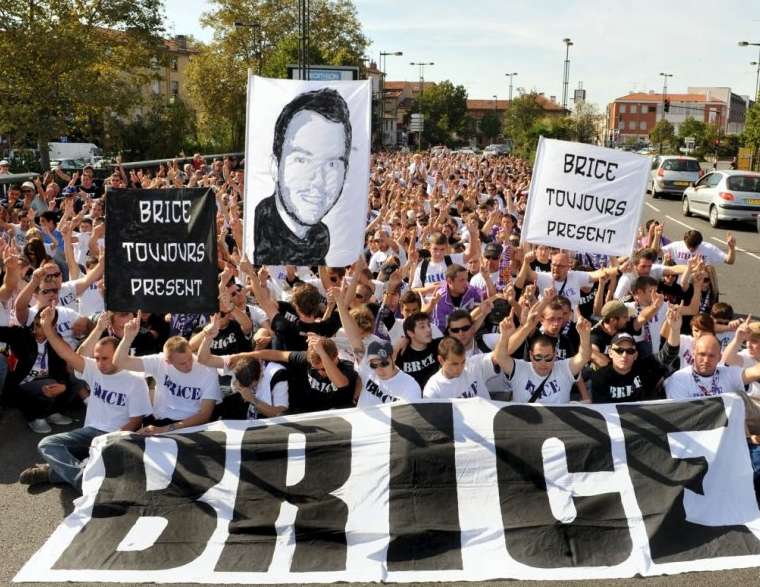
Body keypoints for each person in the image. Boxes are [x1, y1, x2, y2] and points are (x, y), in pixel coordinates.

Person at [18, 306, 151, 489]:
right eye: (97, 358)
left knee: (109, 463)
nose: (100, 363)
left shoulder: (136, 380)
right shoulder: (95, 369)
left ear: (119, 355)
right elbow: (69, 355)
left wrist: (108, 440)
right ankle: (84, 480)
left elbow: (136, 422)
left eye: (105, 358)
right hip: (88, 434)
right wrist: (47, 327)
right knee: (48, 444)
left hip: (116, 437)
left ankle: (52, 473)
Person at [253, 88, 352, 265]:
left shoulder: (322, 238)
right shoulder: (257, 234)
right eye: (302, 160)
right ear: (275, 166)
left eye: (331, 164)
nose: (318, 182)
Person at [112, 311, 221, 434]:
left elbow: (204, 415)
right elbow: (119, 362)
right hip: (159, 421)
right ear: (168, 361)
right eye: (182, 363)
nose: (189, 365)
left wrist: (165, 430)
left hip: (191, 427)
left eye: (190, 359)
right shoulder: (160, 361)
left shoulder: (207, 369)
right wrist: (128, 338)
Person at [591, 305, 682, 403]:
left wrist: (675, 329)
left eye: (630, 351)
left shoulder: (644, 369)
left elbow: (669, 353)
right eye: (619, 351)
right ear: (610, 353)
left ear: (636, 355)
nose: (624, 355)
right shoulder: (600, 377)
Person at [506, 312, 592, 404]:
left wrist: (585, 336)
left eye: (548, 358)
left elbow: (584, 357)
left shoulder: (564, 368)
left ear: (555, 355)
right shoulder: (519, 368)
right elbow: (499, 357)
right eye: (538, 357)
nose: (543, 362)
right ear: (531, 355)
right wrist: (504, 336)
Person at [422, 314, 512, 400]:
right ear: (441, 360)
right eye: (454, 364)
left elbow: (499, 357)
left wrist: (505, 336)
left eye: (462, 362)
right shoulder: (433, 389)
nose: (460, 368)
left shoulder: (472, 365)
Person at [664, 334, 760, 400]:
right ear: (693, 354)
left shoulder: (728, 373)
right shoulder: (679, 379)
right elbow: (681, 415)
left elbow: (755, 372)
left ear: (720, 357)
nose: (706, 360)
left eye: (711, 356)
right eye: (702, 354)